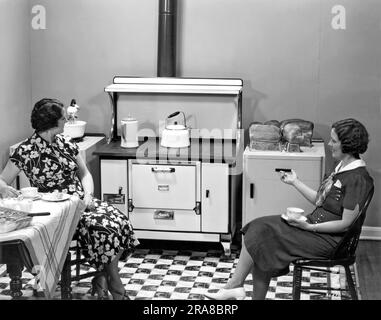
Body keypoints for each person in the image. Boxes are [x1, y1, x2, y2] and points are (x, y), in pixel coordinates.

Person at [205, 118, 374, 300]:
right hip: (314, 227)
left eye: (334, 140)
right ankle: (236, 285)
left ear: (347, 145)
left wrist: (309, 227)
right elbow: (320, 200)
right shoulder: (342, 167)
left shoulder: (358, 178)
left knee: (263, 238)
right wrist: (295, 182)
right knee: (257, 227)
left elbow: (346, 224)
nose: (329, 143)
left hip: (330, 241)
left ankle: (236, 286)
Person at [0, 98, 139, 300]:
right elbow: (2, 180)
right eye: (63, 118)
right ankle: (114, 284)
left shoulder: (66, 141)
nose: (67, 120)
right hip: (59, 211)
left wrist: (89, 196)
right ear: (51, 122)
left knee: (118, 220)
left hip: (82, 202)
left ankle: (102, 277)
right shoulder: (25, 151)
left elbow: (85, 174)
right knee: (103, 229)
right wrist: (4, 189)